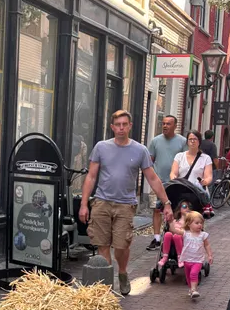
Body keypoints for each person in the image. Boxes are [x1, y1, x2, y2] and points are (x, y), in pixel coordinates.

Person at [78, 109, 174, 297]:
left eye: (124, 124)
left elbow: (153, 178)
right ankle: (106, 284)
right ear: (112, 127)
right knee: (102, 244)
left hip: (125, 205)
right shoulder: (101, 147)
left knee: (122, 245)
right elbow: (90, 176)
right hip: (102, 202)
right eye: (117, 125)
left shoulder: (140, 150)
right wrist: (83, 204)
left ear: (130, 126)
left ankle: (122, 272)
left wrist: (167, 203)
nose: (121, 128)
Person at [147, 116, 186, 250]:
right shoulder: (155, 141)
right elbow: (149, 160)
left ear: (175, 126)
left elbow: (186, 161)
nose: (165, 126)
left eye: (168, 124)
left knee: (174, 210)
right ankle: (157, 239)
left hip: (175, 183)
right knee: (157, 209)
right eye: (163, 123)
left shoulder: (182, 141)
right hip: (158, 182)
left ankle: (172, 236)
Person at [178, 211, 213, 301]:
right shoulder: (186, 234)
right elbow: (174, 230)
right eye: (197, 223)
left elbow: (207, 245)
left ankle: (194, 290)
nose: (199, 225)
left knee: (193, 274)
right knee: (188, 276)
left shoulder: (203, 235)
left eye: (201, 223)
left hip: (198, 260)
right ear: (189, 224)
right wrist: (170, 221)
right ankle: (191, 289)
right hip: (187, 259)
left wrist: (209, 255)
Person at [157, 203, 190, 269]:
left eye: (189, 207)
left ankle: (180, 258)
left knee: (176, 236)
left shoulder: (190, 221)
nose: (187, 208)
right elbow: (171, 228)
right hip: (172, 237)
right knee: (167, 234)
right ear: (180, 208)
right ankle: (165, 257)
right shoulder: (175, 219)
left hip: (183, 239)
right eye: (184, 206)